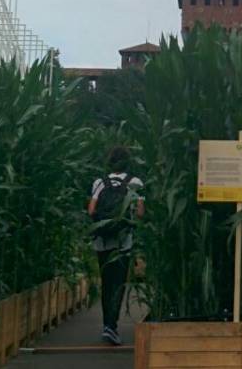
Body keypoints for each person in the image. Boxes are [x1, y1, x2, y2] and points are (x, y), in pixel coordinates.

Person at [87, 146, 144, 346]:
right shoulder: (135, 183)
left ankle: (106, 326)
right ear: (128, 162)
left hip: (102, 242)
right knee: (119, 283)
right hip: (123, 242)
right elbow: (139, 214)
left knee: (107, 283)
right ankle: (112, 326)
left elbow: (92, 210)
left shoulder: (99, 182)